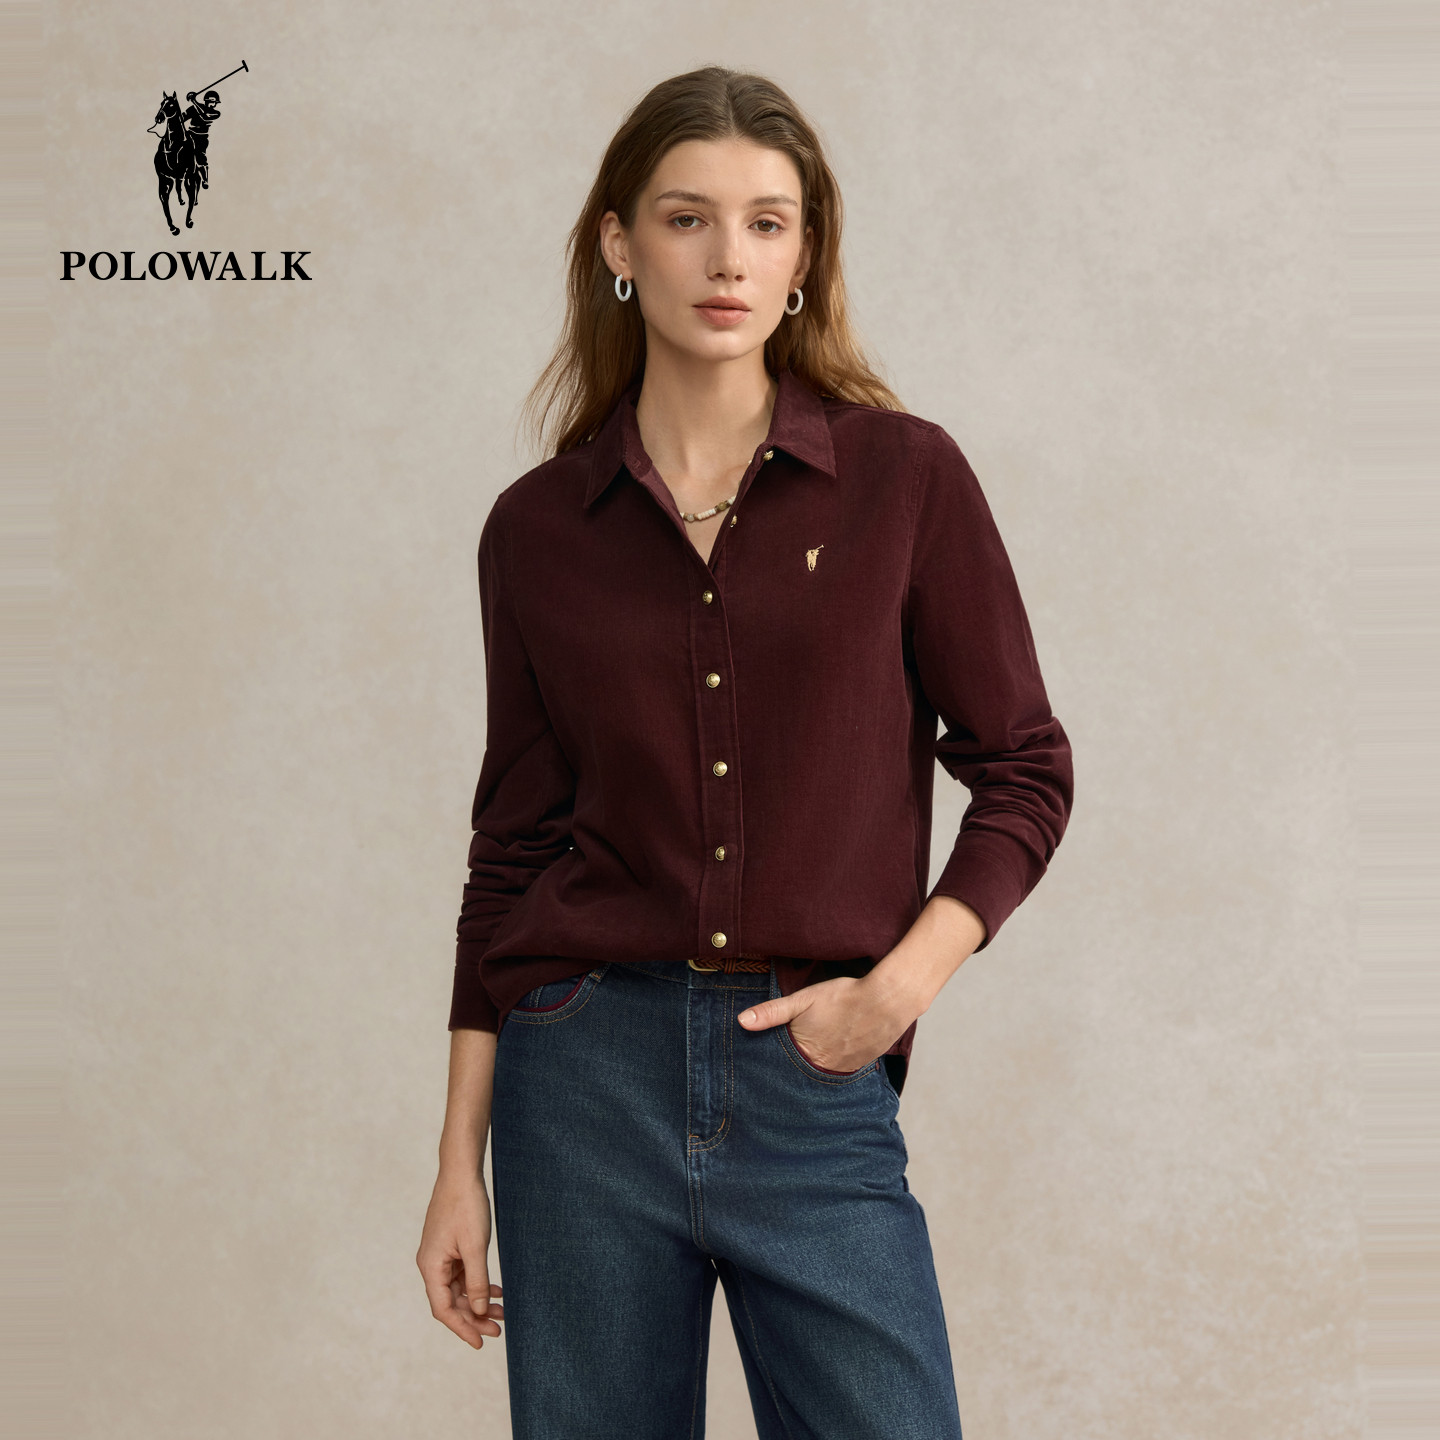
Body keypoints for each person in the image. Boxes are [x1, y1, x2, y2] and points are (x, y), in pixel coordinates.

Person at [417, 65, 1074, 1438]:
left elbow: (1024, 766)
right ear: (618, 244)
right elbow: (511, 849)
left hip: (810, 1070)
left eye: (768, 224)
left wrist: (892, 995)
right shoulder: (538, 531)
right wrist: (457, 1162)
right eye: (688, 219)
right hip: (580, 1082)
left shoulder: (906, 481)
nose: (729, 259)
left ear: (805, 256)